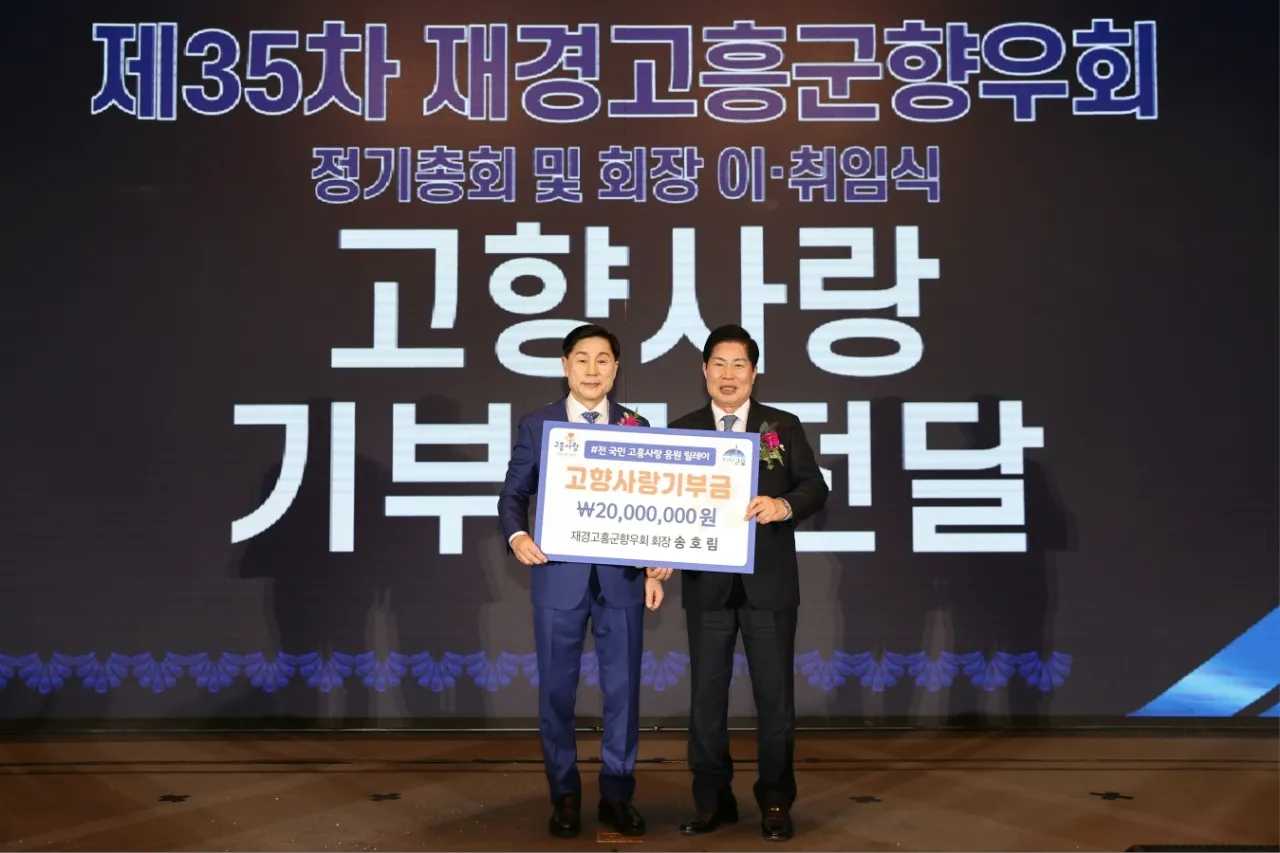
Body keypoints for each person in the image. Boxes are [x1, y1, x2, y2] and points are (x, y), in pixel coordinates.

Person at [651, 324, 828, 842]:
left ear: (755, 372)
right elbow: (665, 507)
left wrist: (782, 505)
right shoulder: (681, 431)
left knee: (775, 700)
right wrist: (659, 556)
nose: (728, 375)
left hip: (768, 587)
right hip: (707, 586)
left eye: (739, 365)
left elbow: (814, 486)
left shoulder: (782, 427)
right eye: (719, 364)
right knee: (706, 701)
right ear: (704, 370)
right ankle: (712, 801)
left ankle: (775, 800)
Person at [497, 323, 664, 839]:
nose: (593, 370)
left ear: (616, 368)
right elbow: (513, 493)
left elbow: (654, 503)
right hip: (558, 577)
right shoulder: (538, 423)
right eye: (583, 359)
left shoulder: (637, 425)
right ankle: (565, 793)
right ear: (565, 365)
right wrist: (516, 536)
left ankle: (617, 793)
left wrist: (658, 561)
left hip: (622, 579)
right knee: (556, 692)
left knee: (624, 693)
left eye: (603, 360)